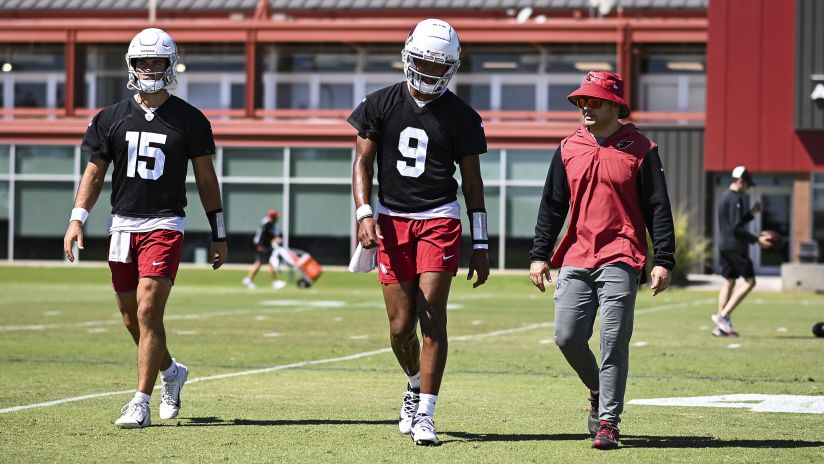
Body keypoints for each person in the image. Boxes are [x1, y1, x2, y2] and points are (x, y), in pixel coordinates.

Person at [62, 28, 228, 429]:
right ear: (131, 65)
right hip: (122, 225)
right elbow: (94, 174)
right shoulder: (110, 118)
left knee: (149, 310)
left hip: (165, 224)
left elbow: (206, 180)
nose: (149, 69)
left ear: (170, 66)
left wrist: (218, 231)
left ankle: (140, 401)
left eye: (157, 62)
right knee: (130, 317)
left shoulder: (190, 119)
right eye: (143, 62)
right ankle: (172, 372)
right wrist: (76, 218)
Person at [348, 18, 489, 446]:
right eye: (423, 64)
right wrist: (363, 213)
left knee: (432, 317)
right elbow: (361, 164)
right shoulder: (380, 103)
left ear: (452, 67)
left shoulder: (462, 116)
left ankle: (426, 411)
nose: (428, 74)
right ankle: (413, 383)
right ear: (408, 55)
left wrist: (480, 242)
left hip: (440, 219)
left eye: (438, 67)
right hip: (391, 219)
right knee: (398, 326)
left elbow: (473, 183)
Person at [529, 71, 676, 450]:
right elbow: (552, 206)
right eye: (581, 101)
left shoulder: (642, 149)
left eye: (593, 101)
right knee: (566, 337)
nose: (585, 108)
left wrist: (664, 259)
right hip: (576, 255)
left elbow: (658, 207)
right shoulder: (567, 148)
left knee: (613, 341)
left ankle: (609, 420)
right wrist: (539, 254)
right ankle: (597, 388)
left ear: (615, 105)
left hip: (622, 256)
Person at [713, 166, 772, 337]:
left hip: (724, 245)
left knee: (729, 281)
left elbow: (735, 223)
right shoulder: (735, 199)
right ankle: (722, 317)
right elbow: (736, 229)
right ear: (741, 181)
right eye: (748, 185)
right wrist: (757, 240)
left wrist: (752, 213)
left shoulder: (725, 197)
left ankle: (720, 327)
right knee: (750, 282)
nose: (748, 188)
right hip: (734, 247)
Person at [243, 209, 286, 290]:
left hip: (263, 245)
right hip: (262, 246)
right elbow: (264, 235)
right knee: (267, 263)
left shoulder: (269, 223)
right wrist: (264, 244)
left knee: (259, 263)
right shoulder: (267, 224)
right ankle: (275, 282)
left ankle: (249, 280)